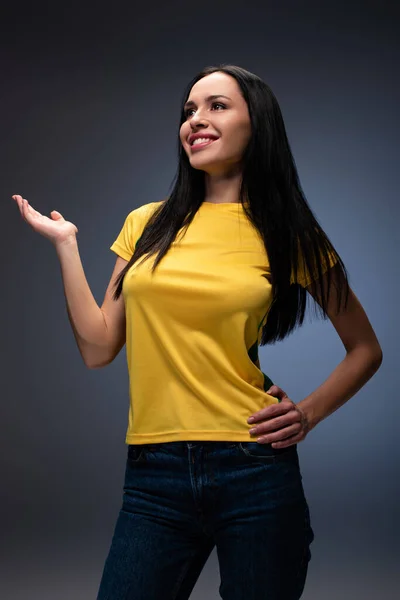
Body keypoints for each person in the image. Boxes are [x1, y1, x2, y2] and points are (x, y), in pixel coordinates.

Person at [12, 64, 383, 600]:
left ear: (257, 124)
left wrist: (308, 413)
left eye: (216, 106)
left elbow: (366, 350)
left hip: (254, 467)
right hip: (154, 475)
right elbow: (97, 348)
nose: (196, 120)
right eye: (189, 110)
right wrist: (66, 245)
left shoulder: (289, 233)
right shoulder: (147, 224)